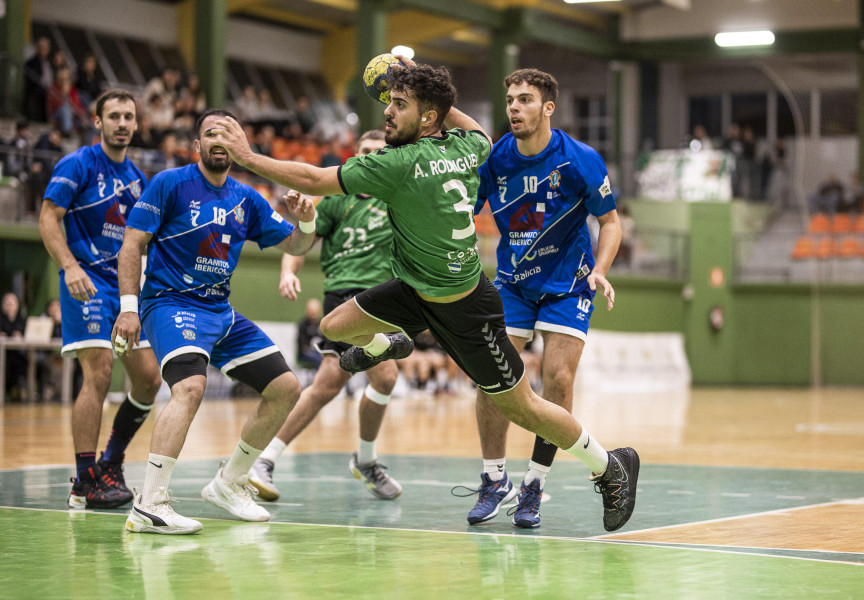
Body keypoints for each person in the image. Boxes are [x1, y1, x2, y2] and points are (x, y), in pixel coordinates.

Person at [213, 57, 640, 533]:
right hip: (416, 289)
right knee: (335, 327)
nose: (387, 113)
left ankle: (609, 465)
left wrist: (247, 158)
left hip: (466, 306)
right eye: (388, 104)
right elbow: (473, 125)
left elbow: (315, 180)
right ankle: (389, 344)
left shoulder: (398, 164)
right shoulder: (471, 144)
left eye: (399, 105)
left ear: (429, 116)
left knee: (525, 406)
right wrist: (427, 88)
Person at [111, 109, 317, 535]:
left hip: (219, 311)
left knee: (286, 388)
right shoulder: (170, 183)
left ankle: (230, 482)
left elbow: (297, 242)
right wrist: (129, 307)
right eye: (211, 133)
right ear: (197, 146)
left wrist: (307, 217)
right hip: (170, 303)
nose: (219, 140)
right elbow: (132, 244)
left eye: (229, 133)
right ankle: (149, 503)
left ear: (241, 144)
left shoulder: (247, 197)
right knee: (190, 386)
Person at [471, 68, 622, 528]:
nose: (514, 107)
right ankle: (494, 479)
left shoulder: (580, 159)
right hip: (514, 280)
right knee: (490, 378)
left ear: (547, 108)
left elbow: (610, 223)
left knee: (557, 379)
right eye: (511, 99)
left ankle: (535, 483)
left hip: (569, 281)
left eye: (525, 99)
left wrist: (600, 271)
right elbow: (461, 212)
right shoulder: (495, 159)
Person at [249, 129, 404, 502]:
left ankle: (263, 458)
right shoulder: (337, 201)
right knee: (385, 373)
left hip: (384, 299)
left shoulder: (397, 198)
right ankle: (364, 461)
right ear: (356, 157)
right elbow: (301, 237)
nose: (370, 157)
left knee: (325, 387)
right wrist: (288, 271)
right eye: (364, 151)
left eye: (378, 152)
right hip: (347, 297)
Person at [38, 89, 163, 509]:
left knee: (148, 379)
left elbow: (143, 241)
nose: (123, 123)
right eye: (114, 116)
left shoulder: (138, 179)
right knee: (100, 371)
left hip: (124, 290)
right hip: (86, 283)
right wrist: (71, 267)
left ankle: (111, 461)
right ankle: (84, 478)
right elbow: (47, 217)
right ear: (98, 122)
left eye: (129, 116)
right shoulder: (78, 164)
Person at [0, 292, 27, 400]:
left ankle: (19, 393)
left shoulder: (22, 319)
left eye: (12, 302)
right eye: (7, 302)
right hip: (3, 354)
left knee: (23, 363)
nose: (9, 305)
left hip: (17, 354)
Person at [295, 298, 324, 368]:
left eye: (315, 312)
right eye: (312, 312)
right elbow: (303, 347)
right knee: (319, 359)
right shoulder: (303, 325)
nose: (313, 315)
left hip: (319, 352)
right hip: (305, 354)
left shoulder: (322, 324)